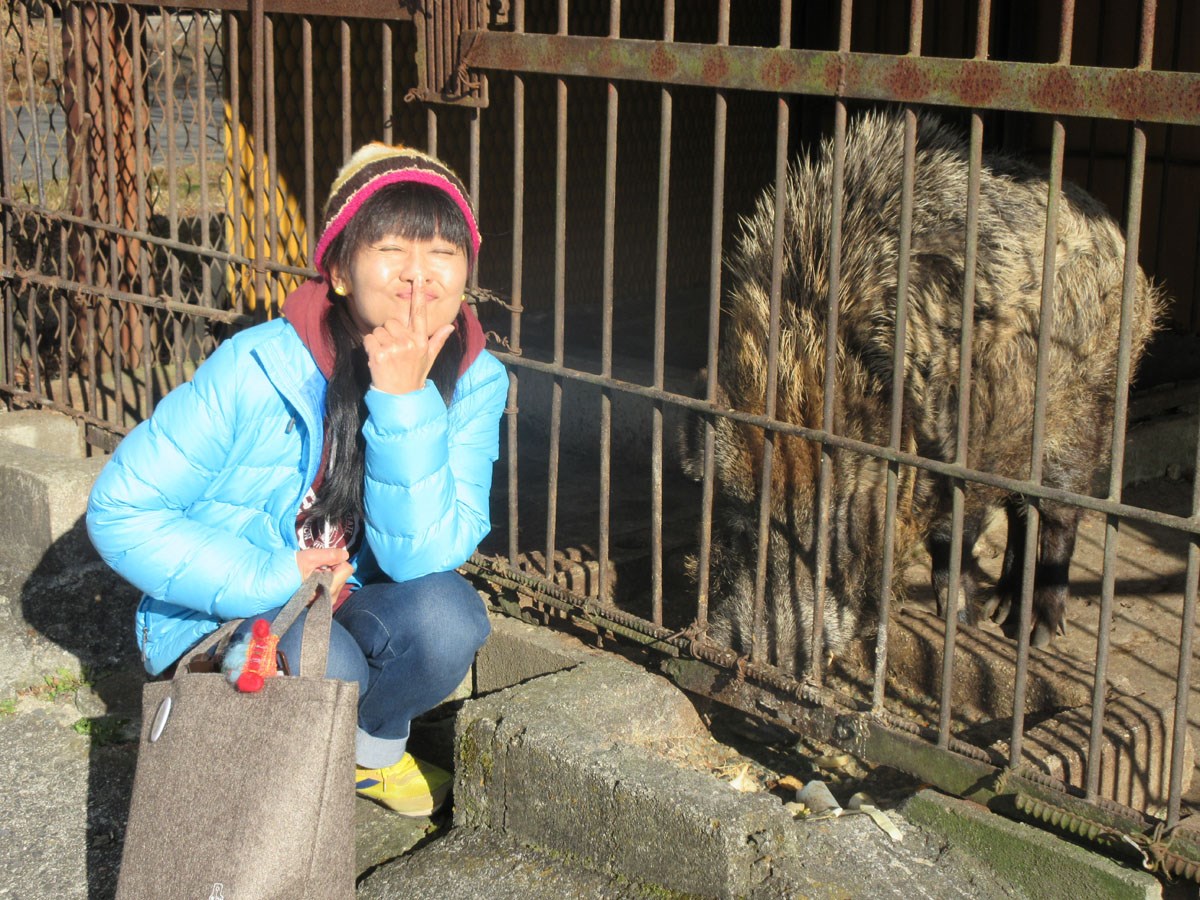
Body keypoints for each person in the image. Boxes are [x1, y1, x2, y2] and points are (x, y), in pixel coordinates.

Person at [86, 143, 507, 817]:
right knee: (326, 663)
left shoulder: (477, 378)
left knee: (449, 619)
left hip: (353, 598)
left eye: (442, 253)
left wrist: (405, 401)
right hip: (234, 607)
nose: (418, 276)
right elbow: (122, 511)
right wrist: (274, 575)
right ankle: (270, 769)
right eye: (391, 249)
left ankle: (363, 756)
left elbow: (422, 558)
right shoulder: (258, 367)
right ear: (338, 270)